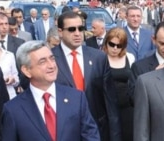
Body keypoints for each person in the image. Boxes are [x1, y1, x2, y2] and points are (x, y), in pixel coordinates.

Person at [0, 41, 100, 141]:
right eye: (42, 62)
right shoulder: (13, 110)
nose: (51, 65)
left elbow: (91, 136)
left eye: (52, 59)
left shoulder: (77, 98)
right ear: (26, 70)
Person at [52, 11, 121, 141]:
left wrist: (115, 136)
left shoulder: (98, 57)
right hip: (63, 132)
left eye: (81, 28)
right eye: (72, 29)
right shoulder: (50, 59)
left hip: (96, 131)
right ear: (60, 32)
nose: (78, 33)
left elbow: (110, 102)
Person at [102, 27, 135, 141]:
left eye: (119, 45)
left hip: (127, 109)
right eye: (112, 44)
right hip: (107, 110)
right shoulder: (100, 59)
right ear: (106, 43)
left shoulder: (130, 58)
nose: (115, 48)